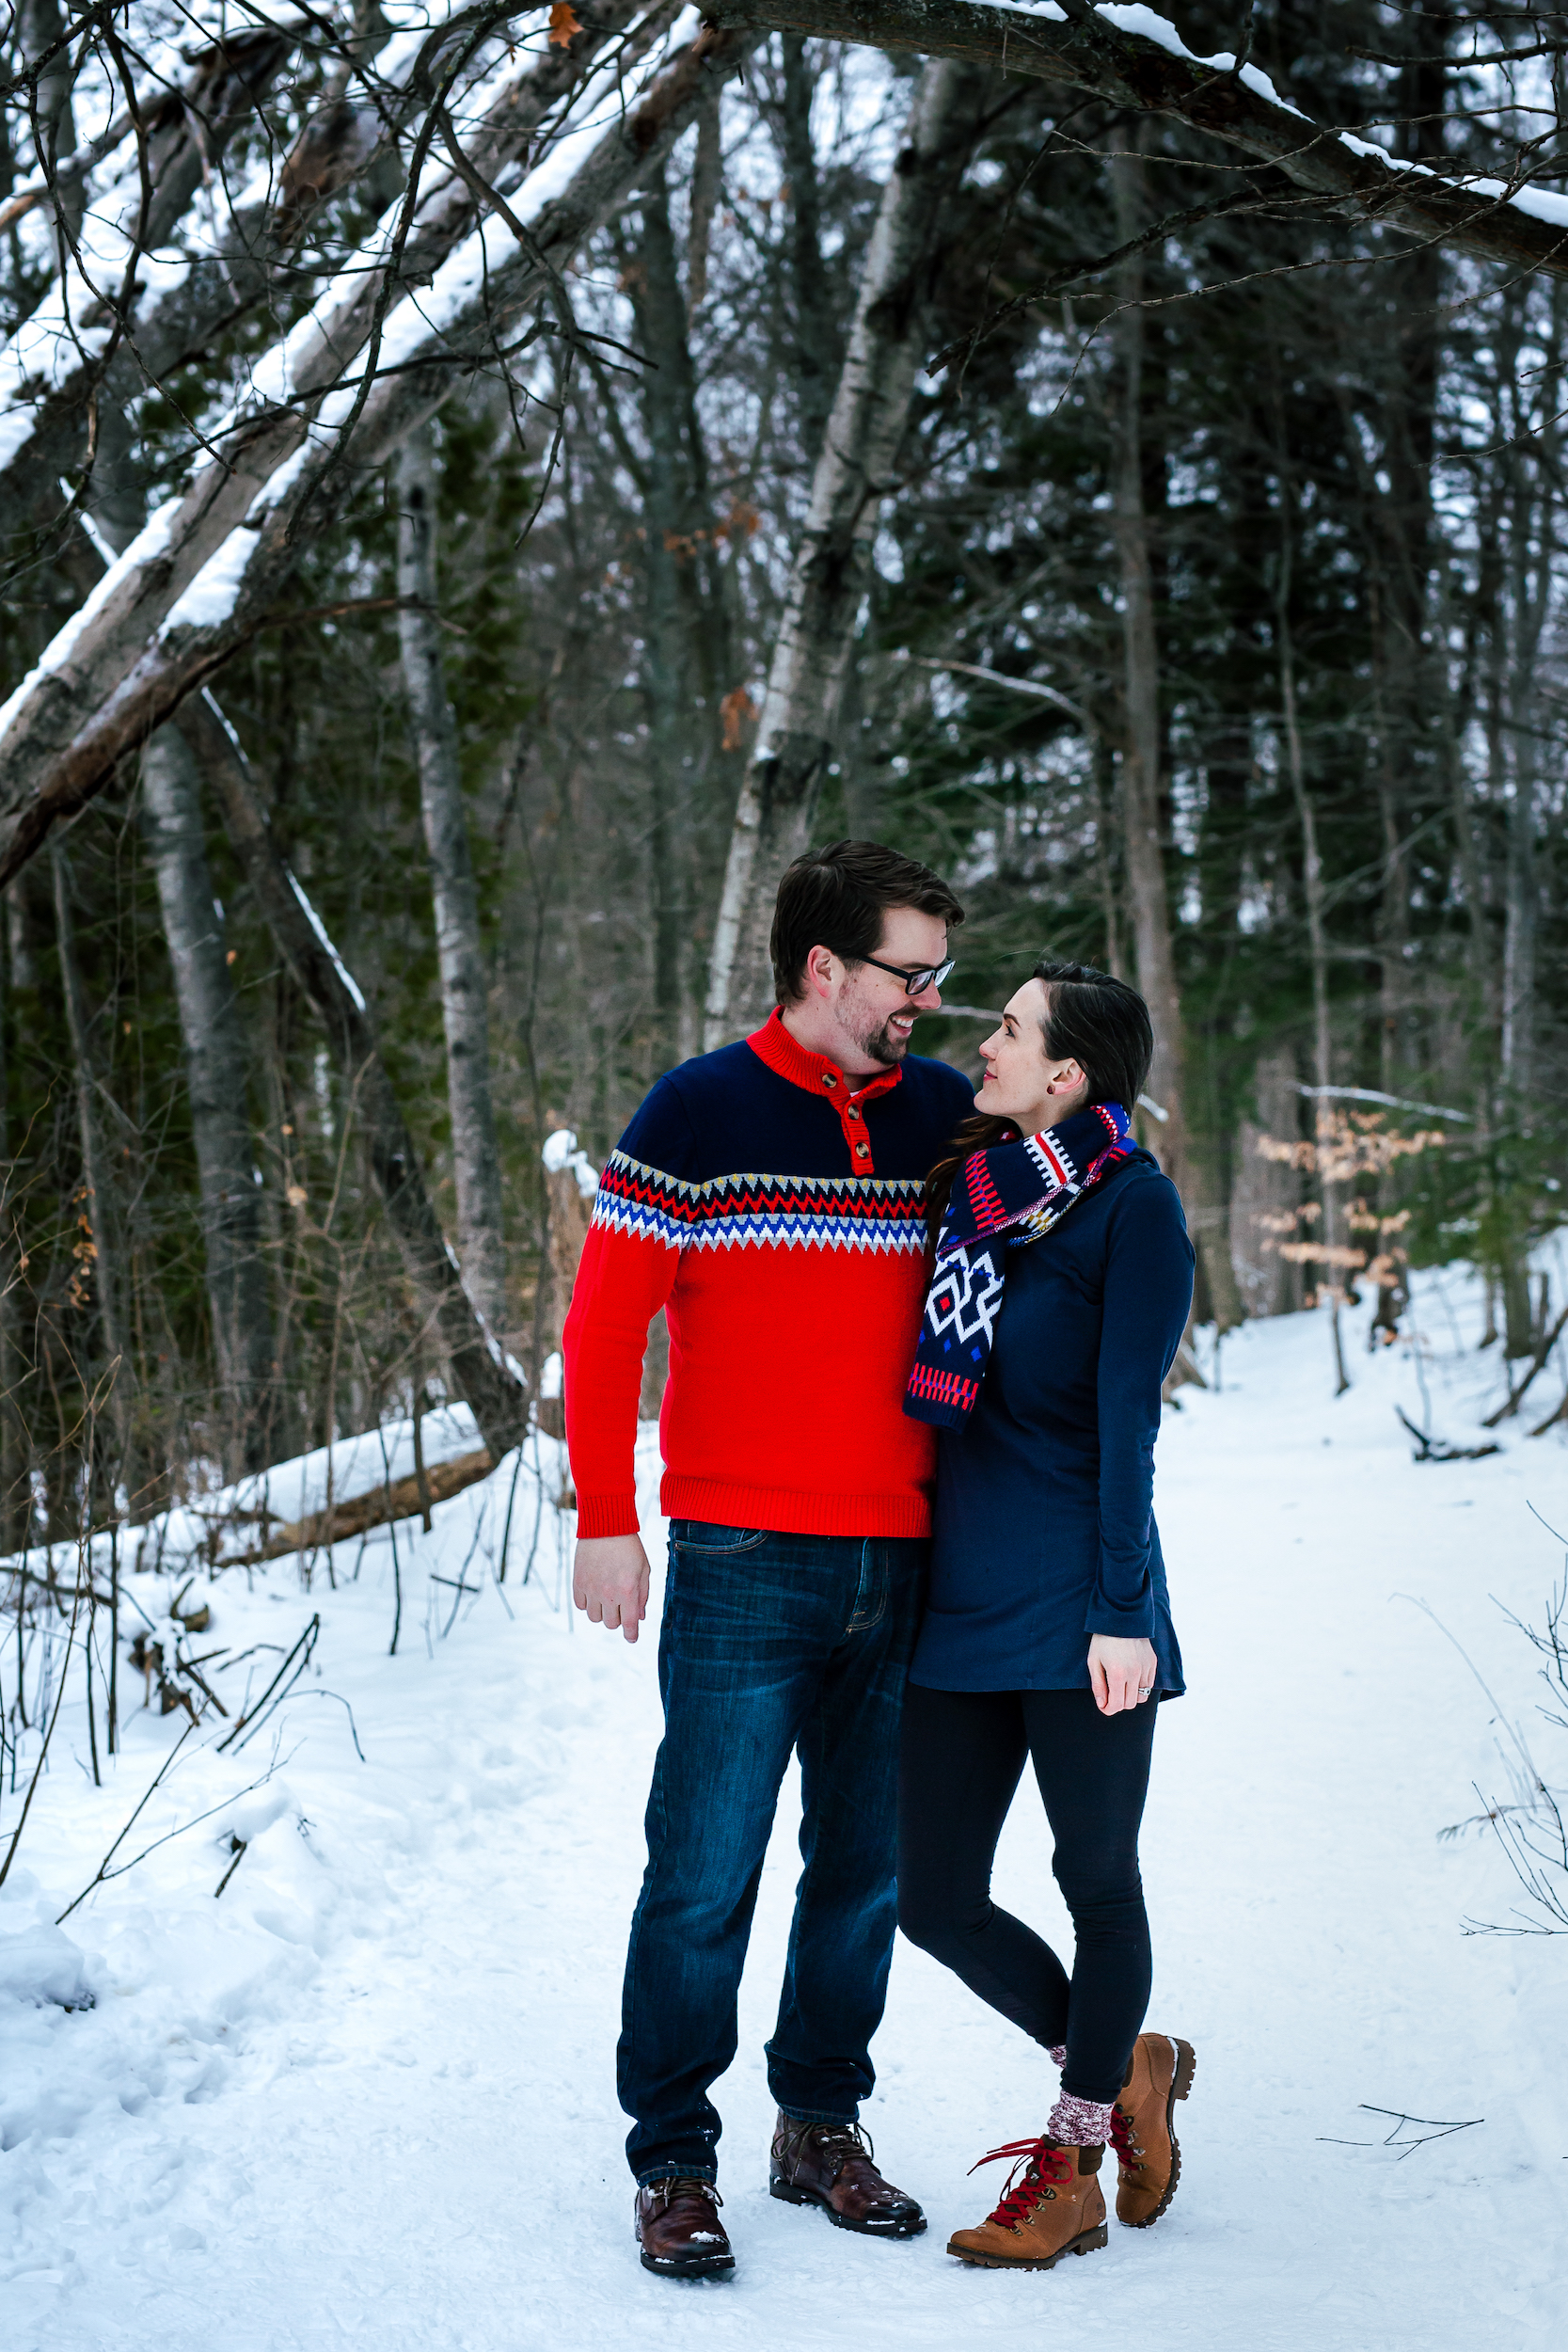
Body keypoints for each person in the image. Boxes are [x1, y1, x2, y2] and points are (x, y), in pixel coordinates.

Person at [563, 840, 975, 2279]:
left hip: (906, 1557)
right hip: (743, 1553)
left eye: (939, 972)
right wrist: (604, 1516)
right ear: (823, 967)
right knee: (704, 1869)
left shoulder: (939, 1117)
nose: (930, 997)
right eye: (909, 971)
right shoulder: (696, 1111)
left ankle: (817, 2126)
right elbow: (606, 1327)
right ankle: (674, 2157)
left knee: (864, 1867)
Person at [895, 959, 1196, 2274]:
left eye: (1010, 1029)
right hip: (958, 1603)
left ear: (1068, 1074)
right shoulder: (974, 1200)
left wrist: (1124, 1610)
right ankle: (1124, 2062)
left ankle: (1072, 2162)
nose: (989, 1041)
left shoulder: (1136, 1214)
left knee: (1095, 1882)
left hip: (1084, 1609)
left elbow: (1131, 1427)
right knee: (933, 1897)